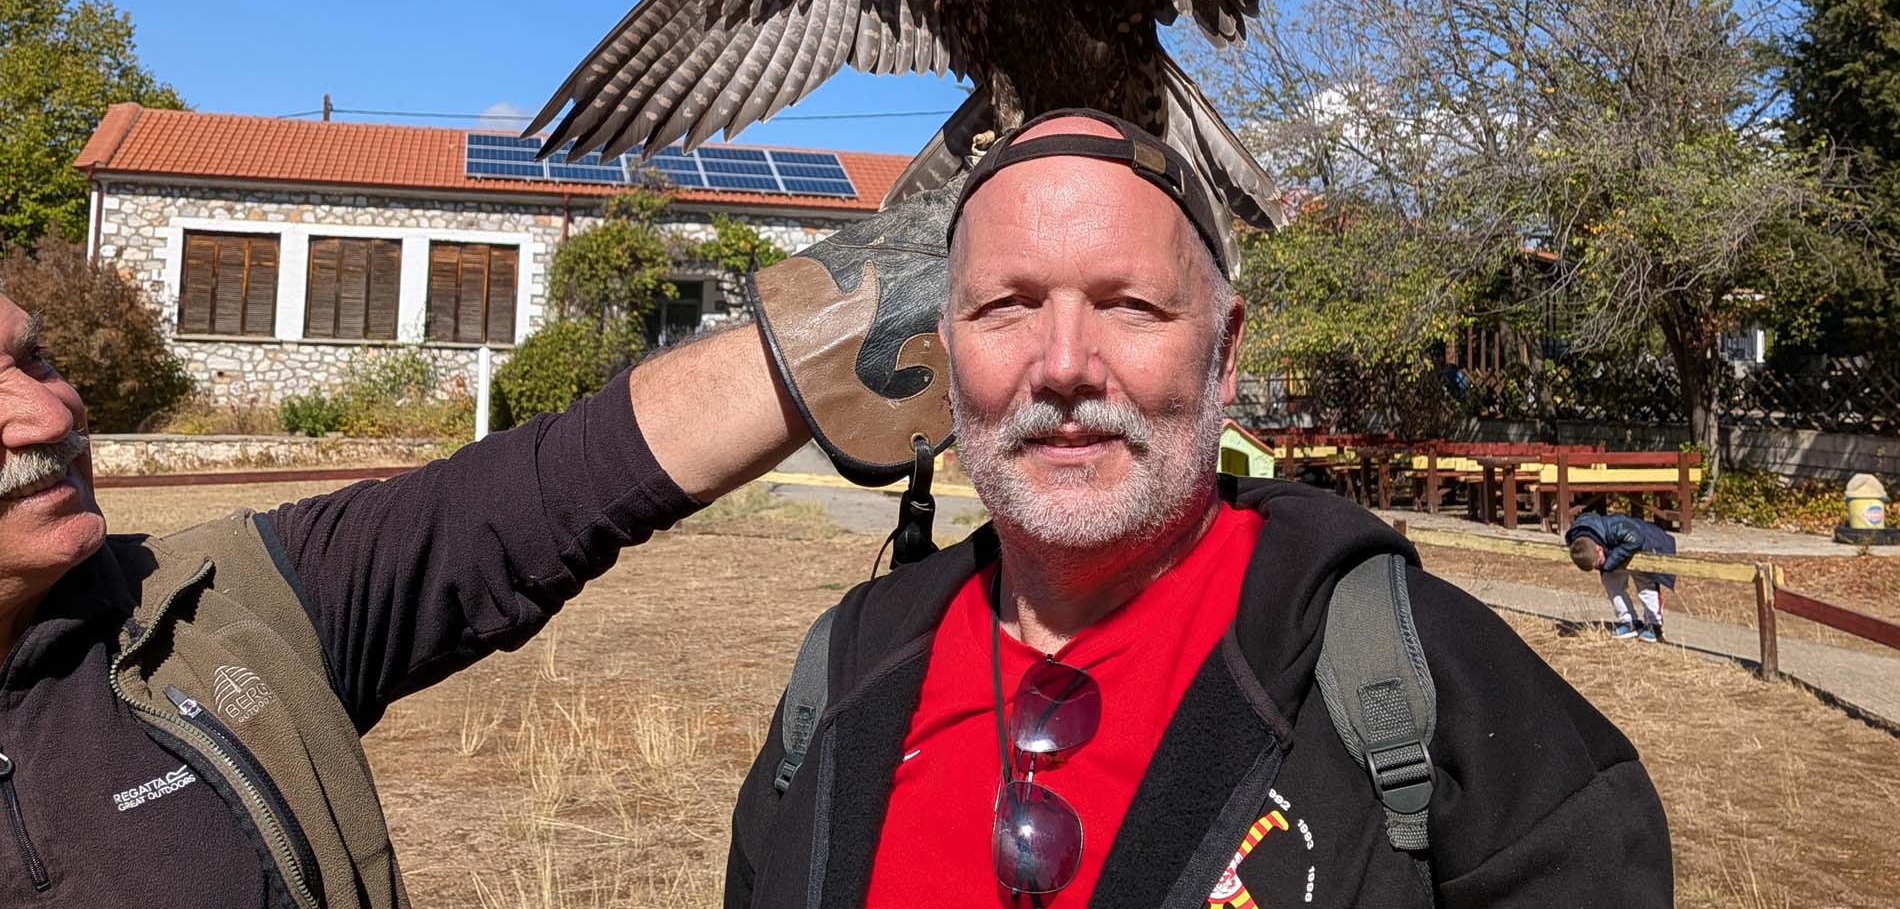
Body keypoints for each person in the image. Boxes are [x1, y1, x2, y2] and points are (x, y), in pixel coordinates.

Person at [727, 110, 1673, 908]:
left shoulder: (1412, 675)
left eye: (1131, 305)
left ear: (1224, 357)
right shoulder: (844, 674)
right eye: (1006, 306)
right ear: (945, 355)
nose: (1063, 366)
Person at [0, 184, 953, 907]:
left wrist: (885, 297)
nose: (50, 413)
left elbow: (553, 488)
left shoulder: (215, 606)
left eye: (36, 358)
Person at [1566, 509, 1677, 642]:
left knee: (1645, 583)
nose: (1598, 567)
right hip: (1617, 550)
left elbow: (1636, 538)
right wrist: (1606, 564)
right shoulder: (1577, 540)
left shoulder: (1615, 526)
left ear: (1599, 548)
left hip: (1645, 544)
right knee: (1610, 582)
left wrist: (1609, 562)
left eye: (1598, 563)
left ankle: (1654, 625)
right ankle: (1628, 622)